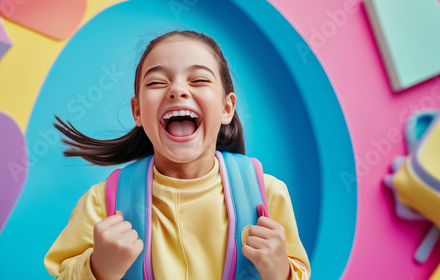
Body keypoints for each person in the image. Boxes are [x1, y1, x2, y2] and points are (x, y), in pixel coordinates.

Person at [44, 30, 310, 280]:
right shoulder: (102, 204)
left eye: (199, 80)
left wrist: (280, 271)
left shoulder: (268, 194)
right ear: (137, 111)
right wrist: (97, 268)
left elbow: (297, 270)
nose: (177, 90)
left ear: (227, 108)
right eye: (157, 82)